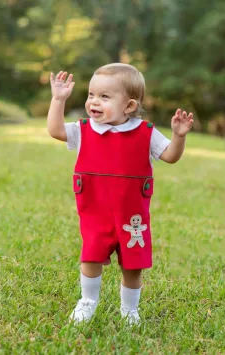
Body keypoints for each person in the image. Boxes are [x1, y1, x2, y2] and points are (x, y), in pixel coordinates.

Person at [47, 63, 194, 325]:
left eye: (104, 97)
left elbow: (170, 156)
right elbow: (55, 130)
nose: (94, 101)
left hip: (132, 217)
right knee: (91, 257)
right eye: (91, 94)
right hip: (95, 213)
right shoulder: (84, 130)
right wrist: (58, 100)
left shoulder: (145, 133)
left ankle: (130, 310)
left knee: (133, 264)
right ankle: (88, 301)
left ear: (129, 106)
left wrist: (178, 136)